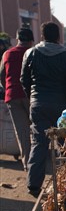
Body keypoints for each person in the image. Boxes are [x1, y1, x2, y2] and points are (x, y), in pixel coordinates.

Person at [21, 22, 66, 197]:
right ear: (58, 37)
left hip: (38, 104)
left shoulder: (30, 53)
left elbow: (23, 79)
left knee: (39, 143)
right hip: (61, 106)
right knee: (65, 145)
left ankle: (33, 185)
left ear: (42, 36)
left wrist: (32, 98)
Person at [0, 27, 34, 170]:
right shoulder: (33, 53)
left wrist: (8, 88)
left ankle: (27, 164)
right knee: (37, 129)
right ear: (32, 41)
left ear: (17, 39)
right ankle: (39, 159)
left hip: (12, 96)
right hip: (31, 96)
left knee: (22, 132)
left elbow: (2, 76)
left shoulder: (7, 54)